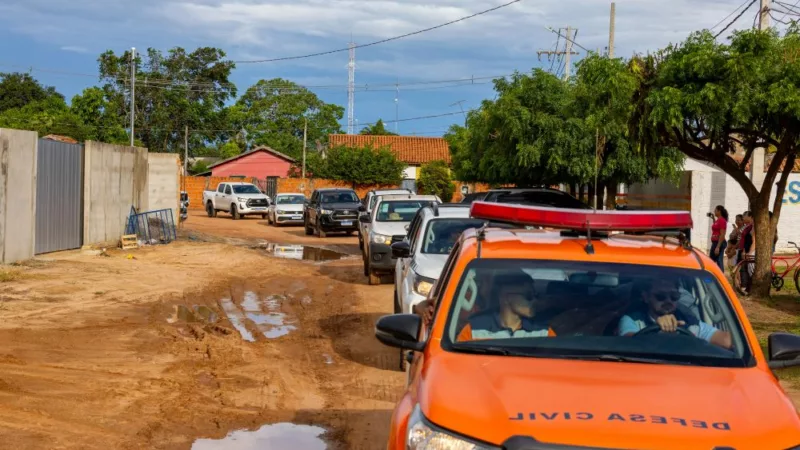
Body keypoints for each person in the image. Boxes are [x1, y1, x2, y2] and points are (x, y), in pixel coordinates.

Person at [617, 278, 732, 350]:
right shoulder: (632, 320)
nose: (668, 301)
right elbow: (629, 345)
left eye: (674, 297)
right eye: (660, 296)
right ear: (646, 297)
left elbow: (727, 341)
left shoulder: (690, 322)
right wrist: (659, 331)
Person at [456, 271, 555, 341]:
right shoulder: (474, 329)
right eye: (528, 296)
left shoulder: (544, 332)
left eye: (535, 295)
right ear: (505, 296)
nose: (534, 300)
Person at [739, 211, 755, 295]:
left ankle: (747, 287)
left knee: (749, 270)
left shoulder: (752, 227)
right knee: (746, 269)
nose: (743, 218)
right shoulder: (748, 226)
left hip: (750, 250)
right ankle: (746, 287)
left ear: (750, 217)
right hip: (746, 250)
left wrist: (748, 252)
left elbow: (752, 241)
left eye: (744, 216)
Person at [709, 205, 728, 271]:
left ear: (719, 211)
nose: (714, 211)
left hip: (718, 242)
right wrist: (713, 219)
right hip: (715, 242)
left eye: (715, 210)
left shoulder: (722, 221)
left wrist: (718, 247)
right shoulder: (718, 220)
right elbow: (716, 229)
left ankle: (720, 277)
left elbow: (722, 234)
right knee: (713, 260)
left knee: (718, 261)